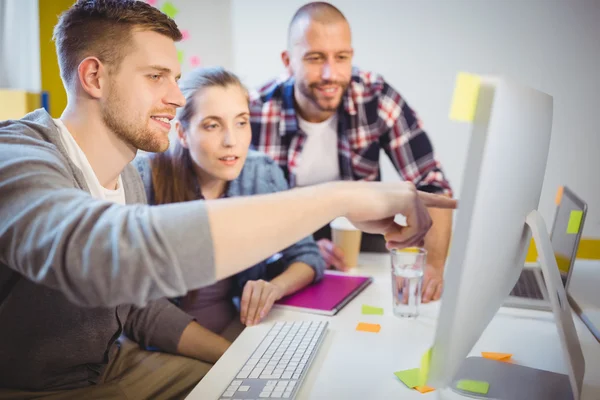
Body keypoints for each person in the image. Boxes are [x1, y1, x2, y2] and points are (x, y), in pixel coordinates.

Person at [0, 0, 455, 397]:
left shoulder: (126, 180)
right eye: (157, 76)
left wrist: (240, 352)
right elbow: (103, 252)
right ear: (94, 76)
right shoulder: (17, 155)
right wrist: (339, 197)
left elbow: (133, 303)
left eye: (175, 78)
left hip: (110, 367)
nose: (177, 97)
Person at [249, 1, 453, 303]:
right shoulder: (255, 113)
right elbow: (245, 214)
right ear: (288, 61)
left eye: (341, 57)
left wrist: (434, 267)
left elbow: (432, 184)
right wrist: (297, 250)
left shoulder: (375, 97)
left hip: (365, 252)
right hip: (285, 260)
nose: (331, 74)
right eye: (316, 58)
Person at [133, 66, 326, 336]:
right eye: (212, 125)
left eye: (241, 122)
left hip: (238, 328)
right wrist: (227, 356)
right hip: (165, 343)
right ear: (182, 133)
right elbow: (137, 309)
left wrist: (274, 287)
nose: (231, 141)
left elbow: (307, 256)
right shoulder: (142, 179)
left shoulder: (262, 173)